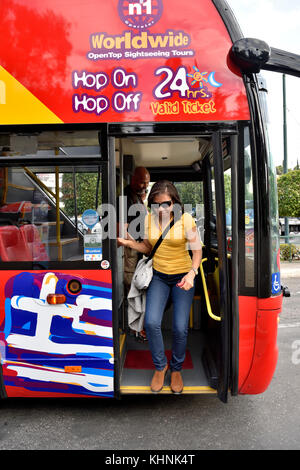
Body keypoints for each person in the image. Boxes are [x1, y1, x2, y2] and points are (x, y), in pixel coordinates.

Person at [117, 180, 202, 394]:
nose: (162, 209)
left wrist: (192, 273)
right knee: (152, 321)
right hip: (159, 277)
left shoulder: (186, 219)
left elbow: (197, 251)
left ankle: (176, 369)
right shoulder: (148, 221)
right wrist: (129, 244)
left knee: (180, 328)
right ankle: (160, 366)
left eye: (166, 204)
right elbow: (147, 248)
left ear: (174, 202)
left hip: (184, 277)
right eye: (156, 205)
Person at [117, 166, 150, 340]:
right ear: (132, 179)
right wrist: (134, 243)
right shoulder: (125, 198)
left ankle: (137, 327)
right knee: (132, 286)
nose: (145, 184)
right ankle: (134, 328)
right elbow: (120, 229)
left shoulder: (137, 197)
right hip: (131, 251)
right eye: (142, 181)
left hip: (139, 250)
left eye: (147, 181)